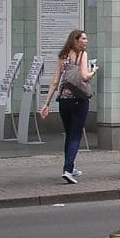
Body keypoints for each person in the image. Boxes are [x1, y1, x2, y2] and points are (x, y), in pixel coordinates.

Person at [39, 29, 97, 184]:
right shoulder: (82, 55)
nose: (86, 41)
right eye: (83, 39)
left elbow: (54, 81)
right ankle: (67, 169)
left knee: (69, 133)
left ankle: (69, 167)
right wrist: (93, 71)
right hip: (79, 99)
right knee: (76, 135)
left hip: (63, 101)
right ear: (75, 40)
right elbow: (84, 76)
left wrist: (46, 104)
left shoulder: (62, 56)